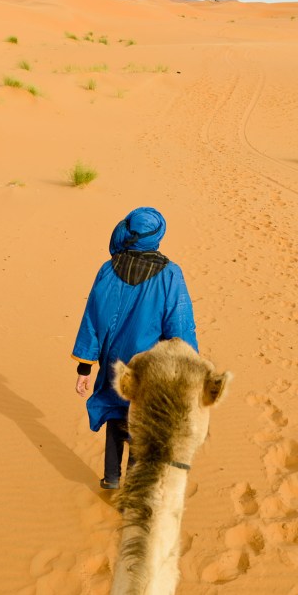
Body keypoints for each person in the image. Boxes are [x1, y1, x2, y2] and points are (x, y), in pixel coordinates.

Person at [72, 207, 198, 489]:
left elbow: (93, 319)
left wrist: (84, 368)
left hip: (113, 362)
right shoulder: (170, 275)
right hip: (149, 367)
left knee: (116, 416)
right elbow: (179, 325)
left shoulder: (108, 269)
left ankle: (112, 479)